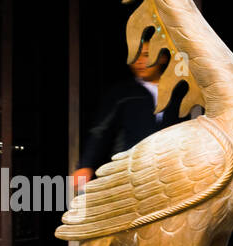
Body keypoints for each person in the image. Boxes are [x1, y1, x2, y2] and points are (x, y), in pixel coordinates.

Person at [73, 37, 182, 193]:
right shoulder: (122, 93)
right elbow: (100, 131)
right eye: (134, 55)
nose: (139, 61)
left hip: (169, 174)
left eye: (146, 55)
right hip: (129, 174)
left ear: (162, 57)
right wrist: (85, 165)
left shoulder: (178, 93)